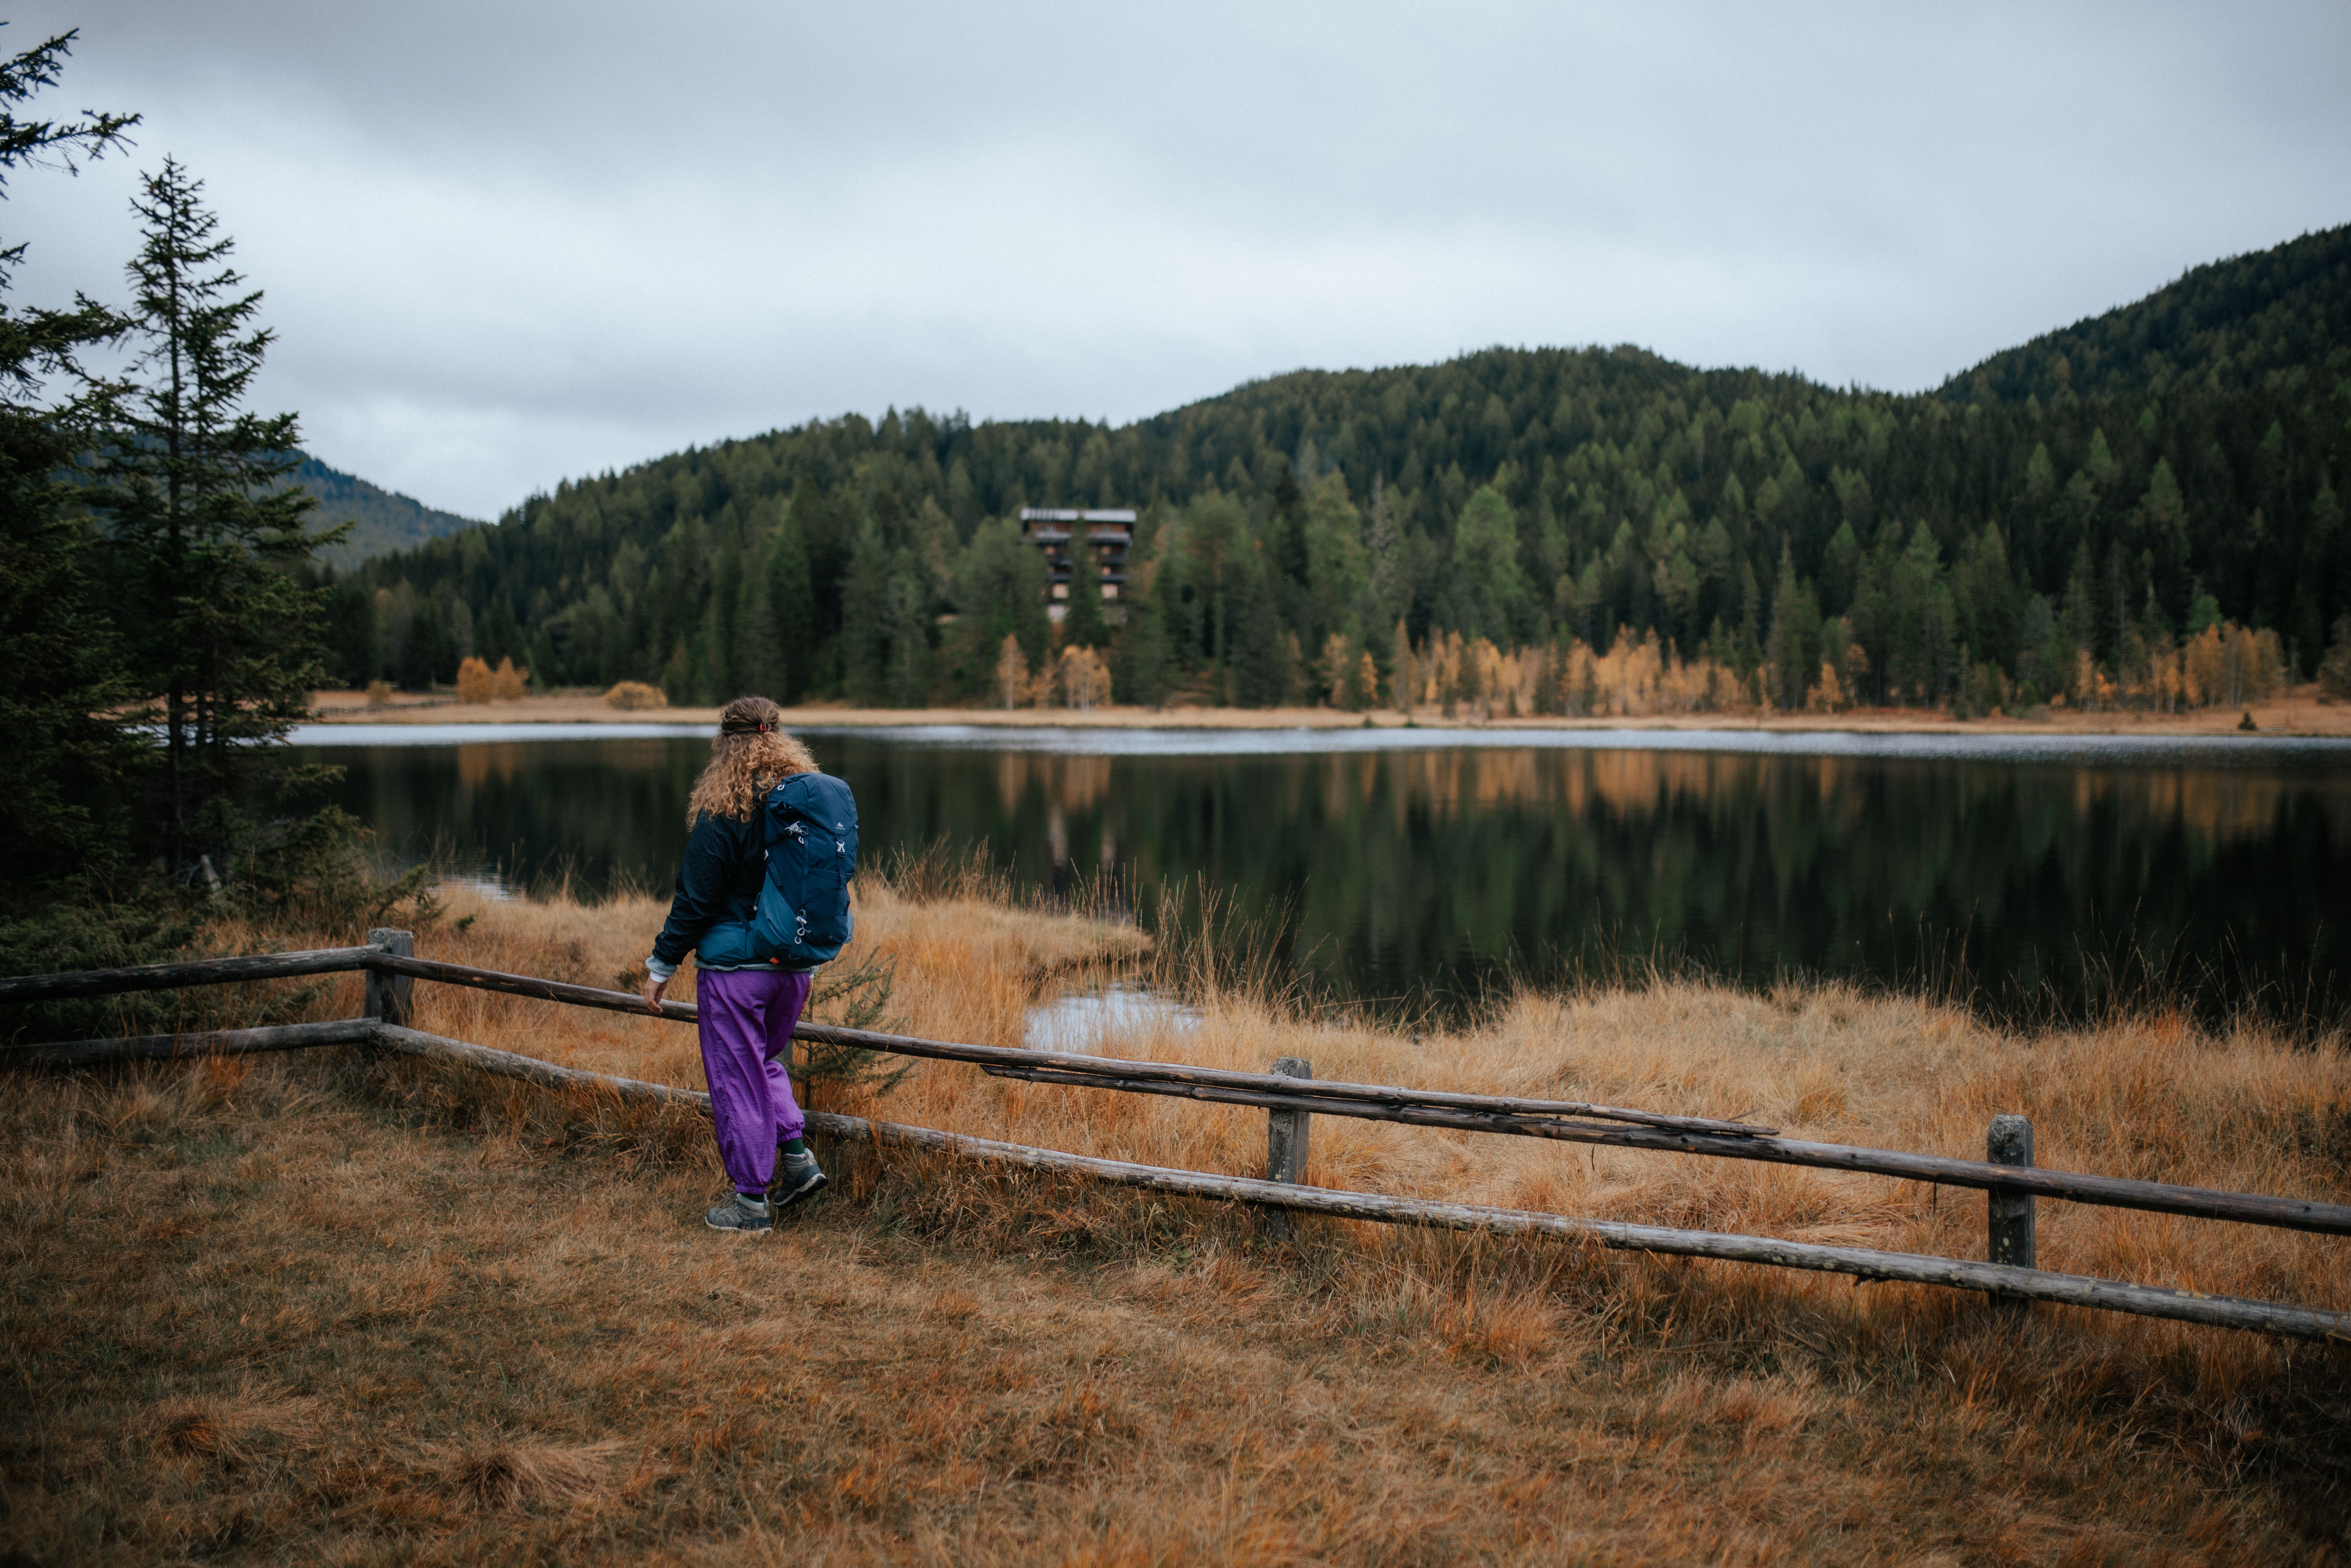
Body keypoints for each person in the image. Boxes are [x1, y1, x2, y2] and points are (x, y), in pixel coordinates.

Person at [640, 695, 829, 1232]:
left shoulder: (725, 811)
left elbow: (695, 900)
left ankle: (749, 1204)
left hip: (736, 976)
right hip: (794, 971)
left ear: (727, 743)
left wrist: (660, 967)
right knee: (764, 1062)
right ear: (780, 738)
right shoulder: (804, 806)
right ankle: (795, 1161)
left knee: (736, 1078)